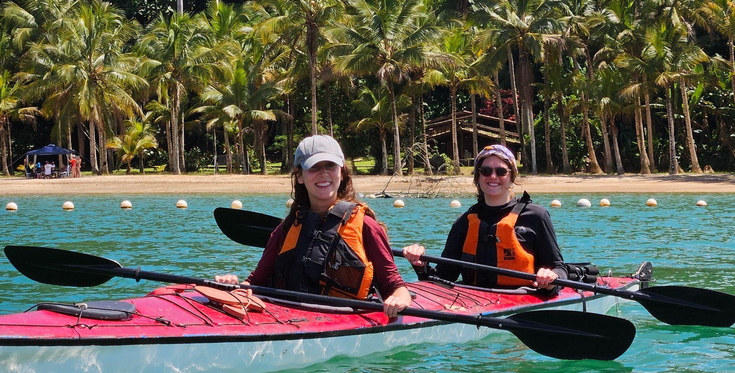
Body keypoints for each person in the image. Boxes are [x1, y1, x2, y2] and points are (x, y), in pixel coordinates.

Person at [216, 135, 412, 318]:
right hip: (288, 318)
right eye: (314, 167)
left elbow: (395, 286)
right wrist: (233, 287)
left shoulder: (366, 226)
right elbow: (254, 283)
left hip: (345, 319)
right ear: (300, 176)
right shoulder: (286, 229)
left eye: (330, 165)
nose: (324, 173)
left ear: (341, 172)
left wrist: (398, 300)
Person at [402, 144, 566, 292]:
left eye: (501, 171)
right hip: (475, 303)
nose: (493, 176)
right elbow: (442, 278)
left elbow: (560, 269)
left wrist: (551, 278)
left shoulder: (536, 216)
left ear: (511, 177)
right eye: (486, 171)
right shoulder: (464, 222)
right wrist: (421, 265)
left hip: (523, 298)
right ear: (478, 178)